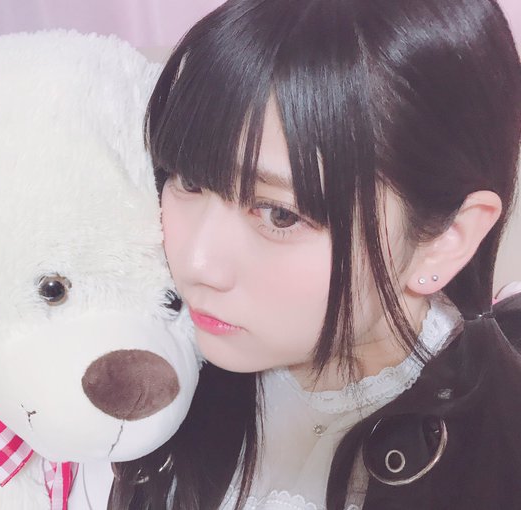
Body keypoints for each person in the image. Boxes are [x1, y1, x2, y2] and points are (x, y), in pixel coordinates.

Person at [103, 0, 521, 508]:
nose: (195, 263)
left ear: (448, 237)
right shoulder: (138, 359)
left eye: (280, 215)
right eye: (188, 180)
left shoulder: (495, 460)